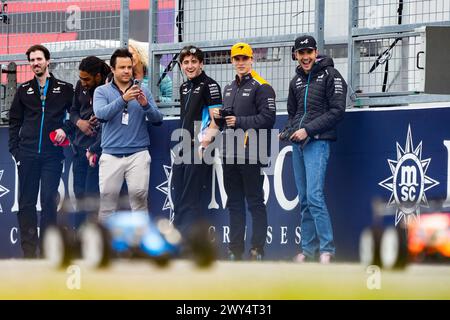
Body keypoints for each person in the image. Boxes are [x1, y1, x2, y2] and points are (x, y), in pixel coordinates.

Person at [283, 35, 346, 264]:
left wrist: (308, 130)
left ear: (316, 52)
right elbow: (293, 115)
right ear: (296, 55)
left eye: (309, 52)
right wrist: (288, 131)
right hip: (298, 144)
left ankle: (327, 250)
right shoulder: (295, 81)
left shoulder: (331, 75)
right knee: (305, 200)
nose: (305, 57)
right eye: (301, 53)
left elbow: (337, 111)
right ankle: (307, 252)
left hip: (317, 142)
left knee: (314, 196)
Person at [8, 44, 74, 258]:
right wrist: (15, 151)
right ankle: (29, 253)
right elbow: (14, 122)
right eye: (32, 60)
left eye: (39, 59)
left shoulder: (64, 88)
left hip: (52, 155)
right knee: (26, 202)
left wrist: (64, 129)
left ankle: (47, 251)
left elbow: (74, 117)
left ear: (48, 61)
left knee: (48, 201)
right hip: (26, 155)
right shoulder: (23, 89)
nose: (35, 63)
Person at [216, 43, 276, 261]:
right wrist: (220, 119)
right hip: (229, 152)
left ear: (252, 60)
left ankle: (257, 249)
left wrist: (239, 121)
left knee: (254, 202)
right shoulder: (229, 87)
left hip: (252, 152)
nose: (240, 63)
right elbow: (229, 122)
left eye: (244, 59)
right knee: (234, 203)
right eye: (236, 59)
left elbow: (268, 119)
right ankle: (235, 250)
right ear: (232, 61)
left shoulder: (262, 86)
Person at [93, 48, 163, 220]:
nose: (126, 71)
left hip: (138, 155)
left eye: (129, 67)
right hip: (110, 155)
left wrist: (146, 105)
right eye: (122, 67)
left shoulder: (143, 90)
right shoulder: (101, 91)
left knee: (139, 206)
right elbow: (101, 114)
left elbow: (158, 119)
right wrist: (123, 99)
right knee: (107, 208)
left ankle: (139, 246)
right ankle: (105, 247)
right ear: (112, 69)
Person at [171, 45, 222, 237]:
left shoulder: (210, 85)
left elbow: (216, 120)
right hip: (183, 146)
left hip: (200, 149)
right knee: (178, 195)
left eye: (194, 62)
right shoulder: (184, 87)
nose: (190, 66)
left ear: (201, 63)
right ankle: (178, 237)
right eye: (186, 62)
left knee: (190, 198)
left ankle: (185, 242)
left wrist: (204, 144)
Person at [69, 56, 110, 222]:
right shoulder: (80, 85)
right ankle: (79, 240)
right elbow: (72, 111)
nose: (83, 82)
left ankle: (95, 240)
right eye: (81, 78)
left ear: (98, 77)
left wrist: (99, 120)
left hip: (99, 151)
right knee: (79, 197)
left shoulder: (109, 84)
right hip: (79, 149)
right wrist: (80, 123)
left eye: (86, 79)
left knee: (92, 197)